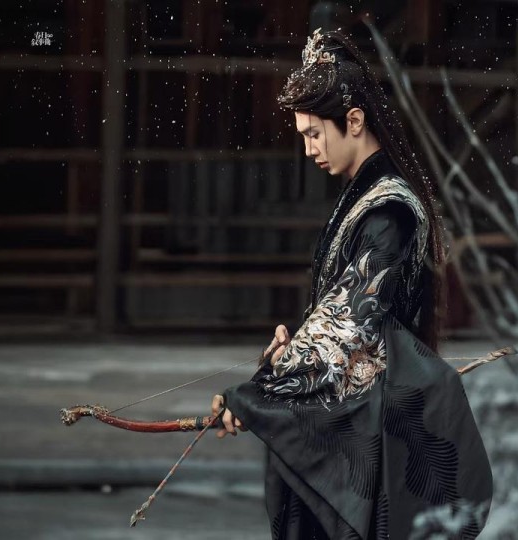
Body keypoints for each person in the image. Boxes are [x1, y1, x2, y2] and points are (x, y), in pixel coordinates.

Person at [211, 28, 492, 539]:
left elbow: (345, 326)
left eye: (314, 134)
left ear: (355, 121)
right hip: (351, 415)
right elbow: (334, 318)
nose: (308, 149)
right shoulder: (366, 197)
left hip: (372, 430)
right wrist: (285, 356)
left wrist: (256, 394)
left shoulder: (390, 210)